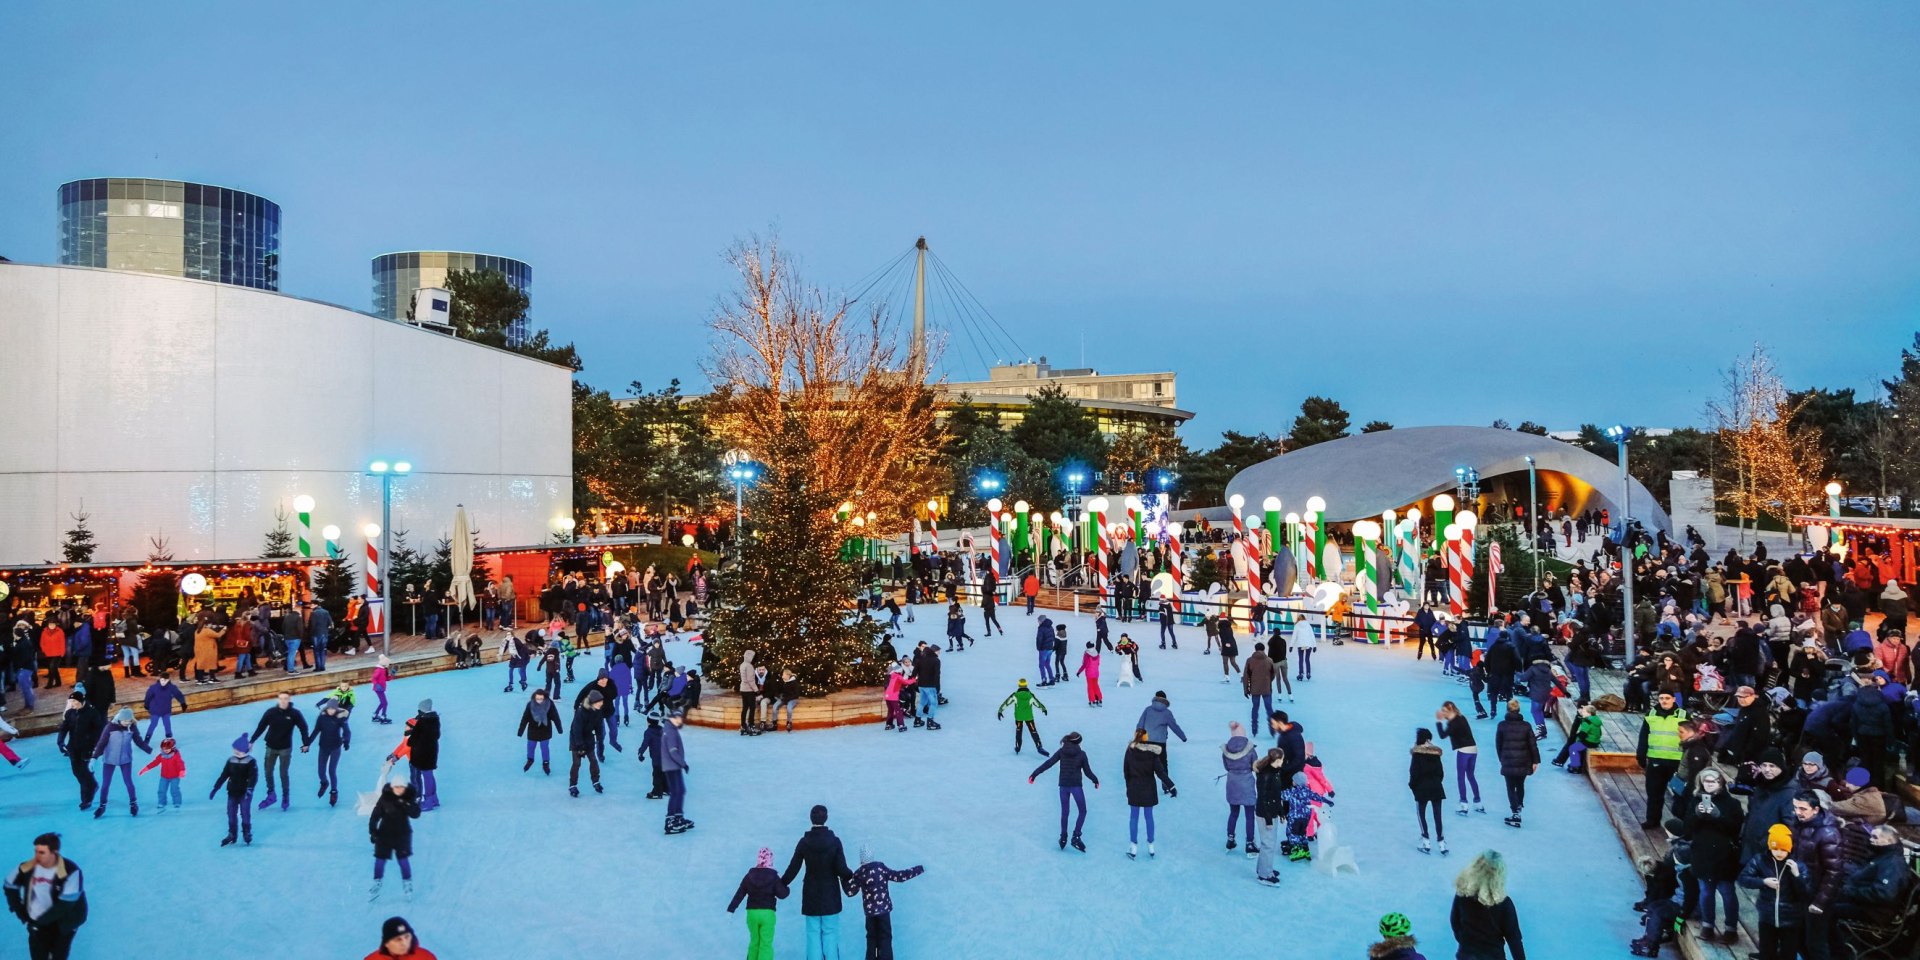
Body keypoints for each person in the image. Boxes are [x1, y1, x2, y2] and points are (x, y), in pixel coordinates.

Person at [1677, 768, 1744, 943]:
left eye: (1713, 781)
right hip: (1702, 854)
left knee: (1727, 892)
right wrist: (1697, 815)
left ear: (1720, 783)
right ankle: (1707, 925)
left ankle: (1731, 928)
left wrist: (1717, 816)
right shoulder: (1695, 801)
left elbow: (1735, 829)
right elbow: (1687, 830)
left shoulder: (1733, 804)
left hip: (1724, 856)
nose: (1709, 784)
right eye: (1706, 781)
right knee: (1706, 892)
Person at [782, 805, 856, 960]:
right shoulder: (835, 842)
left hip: (811, 894)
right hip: (831, 896)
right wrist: (852, 876)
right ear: (826, 818)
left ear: (811, 818)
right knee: (830, 932)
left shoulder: (804, 842)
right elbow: (842, 869)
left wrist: (781, 883)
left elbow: (793, 867)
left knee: (812, 933)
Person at [3, 832, 87, 960]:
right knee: (38, 955)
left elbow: (65, 905)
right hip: (38, 923)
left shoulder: (71, 871)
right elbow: (9, 885)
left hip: (65, 922)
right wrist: (20, 910)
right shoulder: (28, 867)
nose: (36, 856)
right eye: (35, 851)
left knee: (58, 954)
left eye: (42, 852)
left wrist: (38, 922)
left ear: (54, 852)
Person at [1735, 823, 1807, 960]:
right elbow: (1743, 879)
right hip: (1767, 917)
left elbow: (1805, 893)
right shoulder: (1760, 860)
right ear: (1770, 846)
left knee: (1788, 954)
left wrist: (1796, 875)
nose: (1779, 853)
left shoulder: (1798, 865)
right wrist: (1763, 882)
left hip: (1790, 919)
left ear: (1789, 849)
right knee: (1766, 953)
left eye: (1783, 849)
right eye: (1776, 848)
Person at [844, 844, 923, 960]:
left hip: (870, 914)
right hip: (884, 912)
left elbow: (850, 892)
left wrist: (843, 879)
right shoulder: (880, 868)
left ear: (861, 858)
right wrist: (918, 869)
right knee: (885, 937)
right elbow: (899, 877)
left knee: (871, 938)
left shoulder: (860, 873)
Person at [1450, 850, 1526, 960]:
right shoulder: (1504, 904)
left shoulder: (1462, 893)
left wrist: (1465, 942)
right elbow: (1514, 939)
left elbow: (1455, 921)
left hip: (1466, 955)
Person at [1029, 732, 1098, 851]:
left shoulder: (1061, 751)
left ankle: (1063, 838)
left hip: (1064, 786)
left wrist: (1034, 774)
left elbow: (1048, 764)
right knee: (1083, 811)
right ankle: (1076, 836)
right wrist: (1095, 780)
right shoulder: (1081, 754)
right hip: (1076, 786)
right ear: (1078, 742)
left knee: (1065, 812)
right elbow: (1087, 772)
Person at [1833, 824, 1913, 926]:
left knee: (1826, 908)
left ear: (1889, 841)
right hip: (1862, 902)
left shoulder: (1893, 864)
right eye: (1871, 836)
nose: (1871, 840)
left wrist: (1851, 891)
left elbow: (1883, 893)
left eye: (1875, 837)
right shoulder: (1883, 855)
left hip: (1873, 912)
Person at [1634, 689, 1688, 829]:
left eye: (1667, 698)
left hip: (1677, 761)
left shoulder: (1684, 715)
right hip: (1656, 759)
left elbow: (1690, 737)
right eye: (1661, 698)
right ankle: (1652, 820)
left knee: (1679, 793)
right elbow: (1643, 736)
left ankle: (1681, 823)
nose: (1664, 701)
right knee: (1654, 792)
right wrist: (1641, 754)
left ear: (1673, 699)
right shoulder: (1651, 715)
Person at [250, 692, 311, 812]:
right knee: (268, 771)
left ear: (289, 700)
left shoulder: (294, 714)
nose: (283, 701)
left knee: (283, 773)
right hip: (270, 747)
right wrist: (252, 741)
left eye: (285, 699)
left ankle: (285, 796)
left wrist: (305, 743)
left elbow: (303, 727)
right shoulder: (270, 712)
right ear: (278, 700)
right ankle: (271, 794)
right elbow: (261, 727)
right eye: (281, 699)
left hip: (285, 748)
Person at [1122, 727, 1176, 860]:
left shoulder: (1129, 751)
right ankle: (1151, 846)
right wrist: (1171, 786)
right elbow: (1160, 772)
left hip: (1134, 788)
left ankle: (1133, 847)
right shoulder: (1152, 753)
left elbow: (1126, 771)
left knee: (1134, 817)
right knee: (1149, 817)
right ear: (1146, 738)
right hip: (1148, 789)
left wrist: (1129, 787)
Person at [728, 847, 791, 960]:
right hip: (767, 913)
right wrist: (786, 888)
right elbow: (783, 894)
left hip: (752, 913)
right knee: (765, 944)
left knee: (754, 941)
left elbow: (740, 893)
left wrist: (731, 908)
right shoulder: (773, 877)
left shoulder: (749, 876)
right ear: (770, 861)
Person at [89, 707, 151, 818]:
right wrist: (94, 757)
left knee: (128, 782)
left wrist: (150, 751)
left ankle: (133, 803)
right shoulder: (110, 727)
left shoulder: (132, 727)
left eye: (129, 720)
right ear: (119, 719)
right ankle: (102, 805)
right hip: (109, 760)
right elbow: (101, 743)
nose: (127, 723)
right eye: (125, 721)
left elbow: (139, 741)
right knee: (106, 784)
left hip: (125, 759)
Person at [367, 778, 420, 902]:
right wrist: (373, 832)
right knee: (380, 860)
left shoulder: (408, 798)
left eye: (401, 787)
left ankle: (407, 884)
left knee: (403, 860)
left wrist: (409, 804)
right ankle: (377, 883)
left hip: (402, 835)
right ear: (392, 787)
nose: (399, 790)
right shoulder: (385, 798)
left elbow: (416, 814)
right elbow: (375, 815)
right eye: (397, 787)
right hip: (385, 834)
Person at [1493, 700, 1538, 828]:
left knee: (1510, 787)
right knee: (1520, 784)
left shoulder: (1502, 725)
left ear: (1507, 710)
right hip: (1524, 760)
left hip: (1508, 760)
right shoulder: (1526, 726)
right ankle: (1519, 805)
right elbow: (1533, 744)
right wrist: (1535, 761)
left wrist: (1502, 759)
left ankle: (1515, 812)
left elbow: (1498, 744)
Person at [1435, 702, 1484, 816]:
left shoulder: (1453, 724)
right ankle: (1478, 803)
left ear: (1449, 711)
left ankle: (1463, 804)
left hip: (1464, 751)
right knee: (1471, 776)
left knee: (1461, 778)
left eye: (1444, 712)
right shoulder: (1461, 718)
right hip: (1473, 750)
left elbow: (1442, 735)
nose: (1443, 714)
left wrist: (1438, 721)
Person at [54, 696, 102, 811]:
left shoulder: (92, 713)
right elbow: (64, 728)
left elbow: (98, 731)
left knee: (84, 771)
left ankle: (86, 799)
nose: (72, 703)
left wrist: (94, 747)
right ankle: (93, 785)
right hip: (73, 748)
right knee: (77, 772)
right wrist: (60, 742)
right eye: (71, 701)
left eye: (74, 701)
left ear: (82, 701)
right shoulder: (70, 713)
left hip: (86, 748)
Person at [211, 734, 259, 846]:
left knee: (245, 812)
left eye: (239, 750)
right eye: (235, 749)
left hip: (245, 793)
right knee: (231, 813)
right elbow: (224, 775)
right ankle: (232, 833)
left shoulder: (250, 761)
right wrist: (216, 787)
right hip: (232, 792)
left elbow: (253, 777)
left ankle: (246, 832)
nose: (236, 751)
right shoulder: (231, 760)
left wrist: (250, 788)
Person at [1221, 721, 1258, 856]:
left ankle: (1230, 839)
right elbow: (1255, 766)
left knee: (1233, 813)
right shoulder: (1250, 749)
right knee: (1249, 815)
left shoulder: (1226, 750)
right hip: (1246, 782)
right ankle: (1250, 843)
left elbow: (1226, 767)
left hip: (1232, 783)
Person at [1410, 727, 1448, 854]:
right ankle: (1442, 843)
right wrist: (1436, 782)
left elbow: (1414, 773)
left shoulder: (1416, 754)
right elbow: (1441, 772)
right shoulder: (1435, 754)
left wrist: (1413, 787)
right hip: (1437, 787)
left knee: (1421, 815)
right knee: (1438, 815)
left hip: (1422, 788)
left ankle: (1426, 841)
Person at [313, 699, 352, 807]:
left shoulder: (340, 718)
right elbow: (316, 730)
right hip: (323, 747)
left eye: (333, 709)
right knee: (321, 771)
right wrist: (307, 743)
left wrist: (346, 741)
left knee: (331, 770)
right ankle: (324, 783)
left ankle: (334, 792)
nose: (331, 711)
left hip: (335, 747)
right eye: (329, 709)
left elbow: (347, 731)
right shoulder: (322, 717)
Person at [403, 701, 440, 812]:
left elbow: (412, 740)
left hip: (423, 754)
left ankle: (428, 802)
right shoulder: (435, 719)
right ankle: (434, 799)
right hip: (432, 751)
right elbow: (437, 735)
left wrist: (412, 738)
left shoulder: (423, 722)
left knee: (426, 776)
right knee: (430, 775)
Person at [996, 680, 1049, 755]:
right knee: (1033, 731)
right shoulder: (1030, 695)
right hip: (1029, 717)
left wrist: (1000, 710)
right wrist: (1043, 709)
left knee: (1019, 732)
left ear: (1019, 685)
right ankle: (1039, 746)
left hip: (1019, 718)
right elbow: (1037, 703)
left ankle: (1018, 747)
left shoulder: (1015, 695)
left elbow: (1007, 702)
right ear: (1026, 685)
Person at [568, 690, 604, 798]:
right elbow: (576, 730)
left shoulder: (598, 711)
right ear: (593, 702)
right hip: (576, 738)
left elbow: (598, 725)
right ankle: (572, 785)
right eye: (599, 702)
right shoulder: (581, 712)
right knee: (577, 763)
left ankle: (596, 781)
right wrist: (580, 746)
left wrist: (599, 738)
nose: (601, 704)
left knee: (593, 760)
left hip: (588, 737)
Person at [135, 737, 186, 811]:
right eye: (163, 749)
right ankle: (162, 803)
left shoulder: (176, 755)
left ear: (172, 748)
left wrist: (182, 771)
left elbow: (180, 763)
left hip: (174, 777)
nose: (165, 750)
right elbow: (155, 762)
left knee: (174, 790)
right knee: (161, 790)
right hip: (164, 777)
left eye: (167, 749)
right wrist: (146, 768)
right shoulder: (161, 755)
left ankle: (177, 803)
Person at [518, 689, 561, 776]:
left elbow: (555, 716)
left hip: (545, 729)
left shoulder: (550, 704)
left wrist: (559, 728)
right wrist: (521, 730)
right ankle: (530, 759)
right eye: (537, 698)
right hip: (533, 729)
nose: (539, 701)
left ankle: (546, 763)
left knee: (544, 747)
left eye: (541, 699)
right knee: (531, 746)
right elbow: (525, 717)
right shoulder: (530, 705)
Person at [661, 710, 691, 834]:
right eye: (680, 718)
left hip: (673, 766)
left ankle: (678, 817)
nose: (681, 721)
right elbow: (673, 752)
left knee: (680, 791)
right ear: (674, 718)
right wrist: (683, 764)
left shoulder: (670, 729)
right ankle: (670, 821)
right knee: (676, 792)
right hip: (672, 766)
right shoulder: (670, 731)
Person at [363, 916, 437, 960]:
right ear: (386, 943)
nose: (404, 943)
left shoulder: (425, 957)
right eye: (398, 939)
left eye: (407, 937)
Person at [141, 675, 187, 741]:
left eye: (165, 680)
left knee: (167, 723)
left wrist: (183, 703)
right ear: (160, 679)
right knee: (153, 724)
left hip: (166, 709)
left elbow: (178, 695)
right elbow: (148, 696)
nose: (163, 682)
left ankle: (169, 737)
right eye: (162, 680)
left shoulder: (172, 688)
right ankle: (147, 739)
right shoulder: (154, 687)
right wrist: (146, 704)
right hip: (155, 709)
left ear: (168, 680)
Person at [1244, 642, 1275, 726]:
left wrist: (1246, 690)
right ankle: (1272, 727)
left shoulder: (1250, 660)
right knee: (1269, 707)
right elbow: (1273, 674)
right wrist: (1268, 681)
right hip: (1266, 688)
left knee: (1255, 707)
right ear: (1264, 649)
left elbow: (1246, 676)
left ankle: (1254, 726)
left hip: (1255, 688)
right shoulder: (1269, 660)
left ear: (1255, 649)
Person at [1075, 642, 1103, 706]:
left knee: (1090, 686)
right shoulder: (1097, 653)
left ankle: (1092, 700)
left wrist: (1079, 671)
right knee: (1096, 685)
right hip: (1096, 673)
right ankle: (1099, 699)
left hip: (1089, 673)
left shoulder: (1087, 654)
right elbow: (1098, 663)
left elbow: (1084, 664)